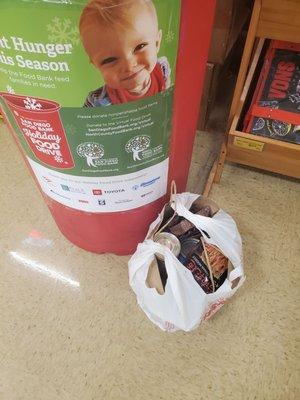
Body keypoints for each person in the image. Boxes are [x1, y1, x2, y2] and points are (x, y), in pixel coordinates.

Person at [79, 0, 171, 107]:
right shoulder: (97, 102)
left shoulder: (162, 68)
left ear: (156, 43)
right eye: (110, 60)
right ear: (96, 65)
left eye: (139, 47)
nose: (129, 65)